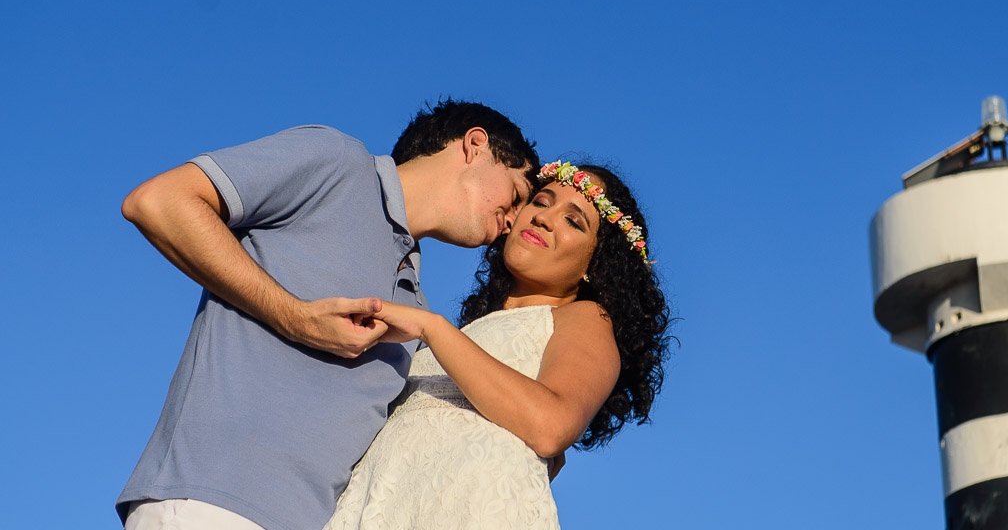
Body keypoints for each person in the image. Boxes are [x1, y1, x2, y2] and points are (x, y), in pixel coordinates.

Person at [117, 100, 539, 530]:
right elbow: (159, 202)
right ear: (475, 144)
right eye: (518, 194)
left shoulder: (415, 309)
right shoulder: (338, 164)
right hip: (212, 505)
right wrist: (294, 317)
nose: (516, 221)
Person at [323, 161, 673, 530]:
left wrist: (431, 328)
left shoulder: (585, 318)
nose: (543, 218)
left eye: (574, 221)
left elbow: (550, 426)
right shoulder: (468, 336)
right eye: (540, 202)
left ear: (597, 266)